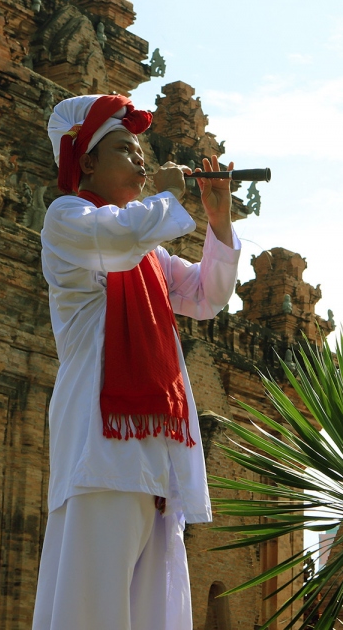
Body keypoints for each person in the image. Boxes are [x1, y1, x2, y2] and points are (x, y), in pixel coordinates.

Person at [33, 94, 241, 630]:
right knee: (94, 605)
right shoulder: (69, 219)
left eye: (141, 152)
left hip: (156, 454)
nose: (142, 162)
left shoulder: (151, 254)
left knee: (156, 609)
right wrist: (171, 195)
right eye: (126, 150)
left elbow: (206, 296)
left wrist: (217, 223)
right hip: (99, 450)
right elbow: (118, 237)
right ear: (88, 163)